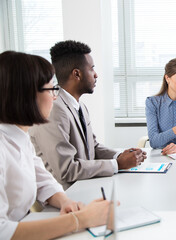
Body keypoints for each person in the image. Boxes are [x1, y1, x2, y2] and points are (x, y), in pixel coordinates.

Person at [0, 51, 109, 239]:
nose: (54, 97)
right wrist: (81, 220)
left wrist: (64, 201)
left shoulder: (19, 136)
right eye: (51, 89)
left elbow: (43, 181)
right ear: (25, 95)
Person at [29, 40, 146, 190]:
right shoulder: (53, 110)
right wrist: (117, 164)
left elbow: (93, 147)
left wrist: (121, 155)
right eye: (92, 69)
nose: (96, 74)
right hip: (67, 195)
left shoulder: (79, 105)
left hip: (85, 185)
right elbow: (66, 170)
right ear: (77, 74)